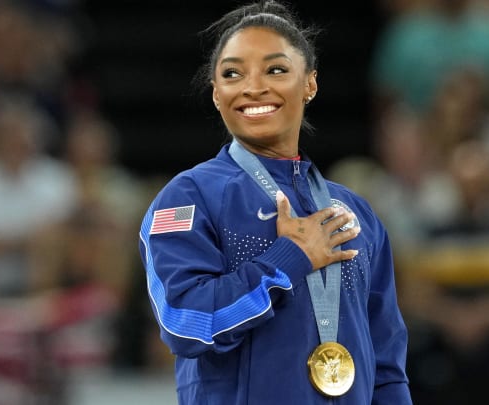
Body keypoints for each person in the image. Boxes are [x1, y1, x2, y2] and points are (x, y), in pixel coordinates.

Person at [137, 1, 412, 403]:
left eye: (276, 69)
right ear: (217, 94)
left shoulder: (357, 214)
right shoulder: (188, 198)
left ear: (310, 84)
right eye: (232, 74)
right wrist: (289, 259)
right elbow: (186, 322)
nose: (253, 87)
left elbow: (387, 367)